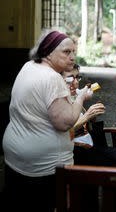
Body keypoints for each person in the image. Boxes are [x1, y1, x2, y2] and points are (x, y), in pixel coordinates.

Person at [2, 30, 92, 211]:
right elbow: (64, 123)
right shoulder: (52, 78)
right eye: (67, 52)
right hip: (43, 166)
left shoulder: (28, 66)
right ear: (48, 51)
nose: (73, 57)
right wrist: (81, 97)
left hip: (15, 154)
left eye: (74, 52)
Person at [63, 64, 116, 168]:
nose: (76, 82)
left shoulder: (74, 97)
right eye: (70, 79)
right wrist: (87, 116)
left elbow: (85, 125)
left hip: (89, 145)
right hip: (76, 152)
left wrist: (92, 116)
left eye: (77, 77)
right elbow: (64, 133)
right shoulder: (59, 102)